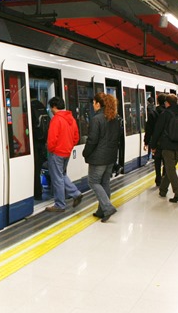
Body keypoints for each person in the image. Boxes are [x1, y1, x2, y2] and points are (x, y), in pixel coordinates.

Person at [83, 92, 121, 222]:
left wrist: (85, 153)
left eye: (93, 103)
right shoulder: (114, 117)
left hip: (98, 158)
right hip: (110, 157)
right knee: (105, 182)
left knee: (93, 182)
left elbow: (92, 140)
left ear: (98, 104)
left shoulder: (96, 119)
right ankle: (101, 210)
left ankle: (107, 207)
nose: (93, 105)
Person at [149, 94, 178, 203]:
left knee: (170, 170)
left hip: (167, 146)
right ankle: (163, 190)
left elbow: (157, 130)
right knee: (169, 169)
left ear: (167, 103)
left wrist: (153, 146)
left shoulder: (165, 114)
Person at [45, 97, 83, 213]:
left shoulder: (56, 120)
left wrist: (50, 149)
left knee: (57, 178)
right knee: (62, 175)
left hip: (57, 153)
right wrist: (69, 146)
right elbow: (76, 137)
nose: (50, 110)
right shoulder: (70, 118)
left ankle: (60, 205)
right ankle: (76, 193)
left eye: (51, 107)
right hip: (67, 152)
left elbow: (52, 139)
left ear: (54, 107)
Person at [143, 93, 166, 185]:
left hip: (156, 141)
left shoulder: (153, 113)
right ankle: (164, 177)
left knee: (157, 160)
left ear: (157, 102)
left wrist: (146, 142)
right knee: (166, 161)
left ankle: (158, 179)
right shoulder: (168, 113)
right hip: (167, 141)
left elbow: (148, 129)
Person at [30, 90, 49, 200]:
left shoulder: (29, 106)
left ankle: (36, 193)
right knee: (38, 168)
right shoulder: (41, 105)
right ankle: (40, 191)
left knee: (35, 170)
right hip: (42, 142)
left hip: (34, 142)